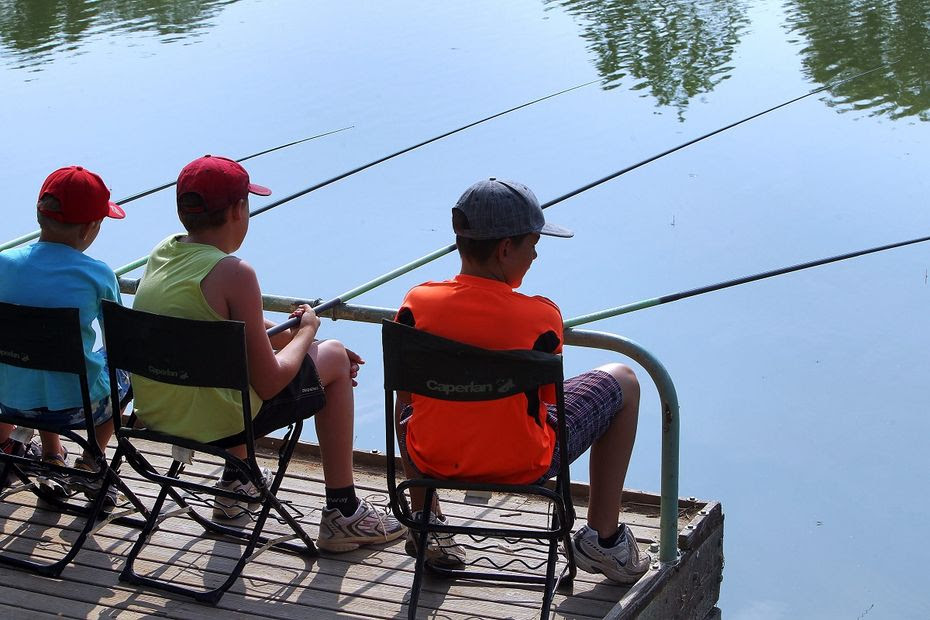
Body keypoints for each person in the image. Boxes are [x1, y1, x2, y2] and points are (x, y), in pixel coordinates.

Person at [131, 155, 404, 552]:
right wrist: (309, 330)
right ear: (240, 209)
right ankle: (342, 513)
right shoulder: (235, 273)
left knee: (275, 359)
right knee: (335, 357)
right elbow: (270, 381)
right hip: (219, 421)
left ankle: (236, 484)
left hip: (158, 412)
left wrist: (293, 340)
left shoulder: (162, 254)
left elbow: (220, 333)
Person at [394, 177, 650, 583]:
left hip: (431, 458)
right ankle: (603, 540)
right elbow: (548, 404)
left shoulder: (416, 304)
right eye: (533, 243)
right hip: (524, 464)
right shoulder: (541, 317)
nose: (535, 255)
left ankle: (429, 523)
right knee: (625, 380)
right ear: (505, 248)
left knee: (407, 405)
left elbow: (406, 397)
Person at [0, 166, 129, 501]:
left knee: (40, 358)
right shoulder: (97, 275)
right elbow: (121, 341)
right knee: (121, 369)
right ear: (89, 228)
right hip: (76, 408)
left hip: (7, 401)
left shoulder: (2, 263)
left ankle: (51, 454)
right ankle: (92, 461)